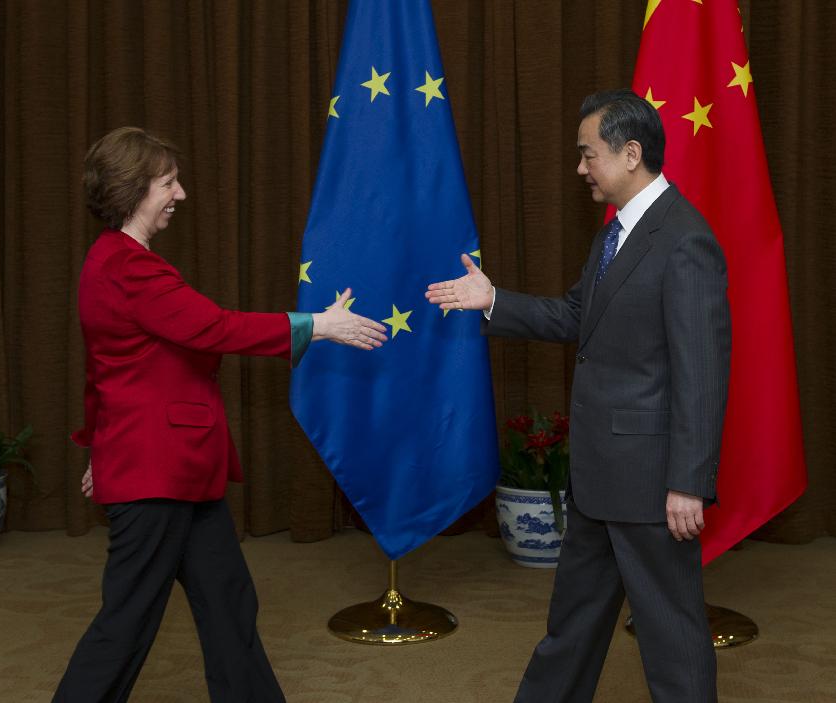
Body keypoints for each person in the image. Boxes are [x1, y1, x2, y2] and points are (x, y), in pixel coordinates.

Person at [55, 126, 387, 703]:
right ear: (134, 191)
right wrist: (319, 325)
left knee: (229, 601)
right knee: (127, 623)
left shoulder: (114, 261)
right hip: (157, 470)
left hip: (176, 468)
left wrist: (99, 447)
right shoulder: (129, 267)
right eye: (168, 182)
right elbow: (214, 327)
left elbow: (108, 371)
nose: (180, 193)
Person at [426, 90, 731, 702]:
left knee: (672, 636)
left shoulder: (684, 239)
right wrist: (492, 301)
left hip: (650, 485)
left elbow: (702, 371)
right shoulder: (615, 232)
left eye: (588, 154)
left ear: (631, 153)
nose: (580, 168)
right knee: (572, 627)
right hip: (598, 477)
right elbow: (576, 317)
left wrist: (688, 482)